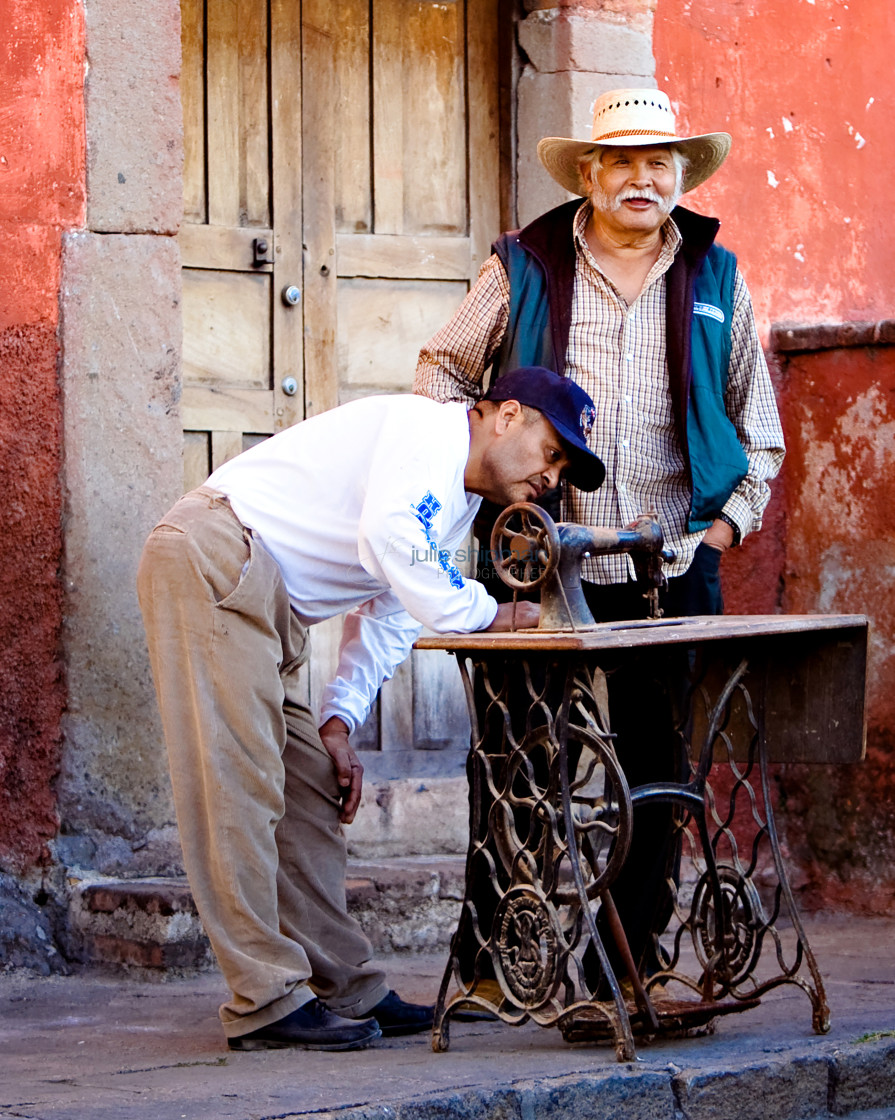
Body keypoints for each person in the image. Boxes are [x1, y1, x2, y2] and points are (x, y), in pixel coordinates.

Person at [414, 89, 786, 984]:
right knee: (515, 763)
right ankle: (501, 966)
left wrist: (723, 533)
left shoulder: (716, 278)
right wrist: (479, 480)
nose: (640, 178)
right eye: (619, 161)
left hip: (671, 567)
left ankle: (624, 969)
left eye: (658, 163)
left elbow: (761, 434)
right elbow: (440, 369)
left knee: (657, 777)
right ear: (588, 173)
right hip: (539, 562)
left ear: (678, 177)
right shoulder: (525, 264)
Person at [137, 367, 604, 1052]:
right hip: (216, 558)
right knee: (235, 786)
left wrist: (338, 719)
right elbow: (392, 540)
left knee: (308, 779)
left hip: (259, 598)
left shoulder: (451, 505)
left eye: (564, 466)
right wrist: (493, 612)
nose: (552, 478)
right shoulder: (427, 432)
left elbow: (391, 612)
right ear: (505, 416)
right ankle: (264, 1000)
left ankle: (344, 987)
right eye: (552, 451)